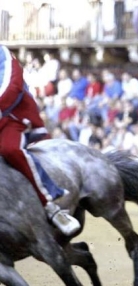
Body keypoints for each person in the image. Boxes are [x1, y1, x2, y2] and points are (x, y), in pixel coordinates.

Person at [0, 45, 80, 236]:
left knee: (11, 149)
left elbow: (11, 84)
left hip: (11, 114)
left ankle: (51, 206)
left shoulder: (2, 53)